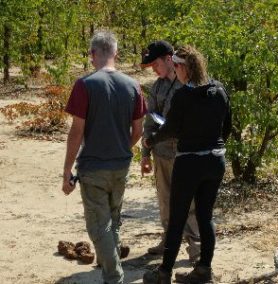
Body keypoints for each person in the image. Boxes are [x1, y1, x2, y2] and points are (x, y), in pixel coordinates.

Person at [61, 31, 146, 284]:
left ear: (92, 55)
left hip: (94, 167)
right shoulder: (133, 85)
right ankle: (108, 265)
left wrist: (66, 171)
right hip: (121, 165)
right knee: (113, 220)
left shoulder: (85, 85)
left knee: (99, 226)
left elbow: (76, 132)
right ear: (116, 54)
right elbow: (138, 130)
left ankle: (113, 276)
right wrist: (121, 146)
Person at [142, 45, 232, 284]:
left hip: (189, 162)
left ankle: (163, 274)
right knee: (205, 217)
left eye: (177, 66)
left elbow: (170, 129)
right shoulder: (219, 90)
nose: (176, 71)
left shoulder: (183, 96)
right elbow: (227, 126)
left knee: (177, 218)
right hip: (215, 161)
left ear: (183, 67)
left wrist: (152, 140)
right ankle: (204, 269)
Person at [140, 40, 200, 261]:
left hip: (186, 153)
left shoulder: (190, 83)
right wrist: (145, 154)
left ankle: (196, 247)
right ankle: (168, 241)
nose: (154, 70)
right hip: (162, 153)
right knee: (165, 200)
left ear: (169, 59)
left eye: (155, 64)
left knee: (190, 202)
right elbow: (149, 122)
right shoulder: (157, 86)